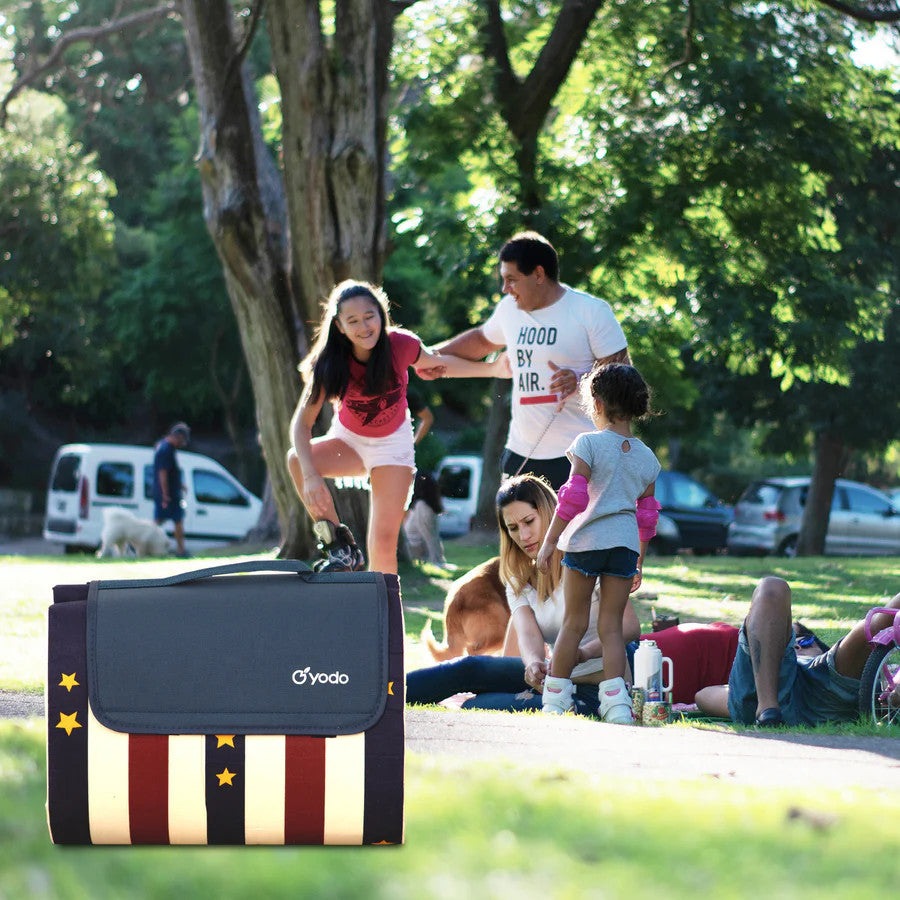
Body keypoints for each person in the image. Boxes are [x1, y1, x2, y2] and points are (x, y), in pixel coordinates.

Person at [286, 279, 508, 575]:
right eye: (353, 321)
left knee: (382, 543)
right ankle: (340, 548)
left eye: (369, 316)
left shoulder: (401, 345)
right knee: (297, 460)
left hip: (392, 446)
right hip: (349, 441)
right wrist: (311, 477)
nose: (364, 327)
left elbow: (437, 363)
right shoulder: (329, 364)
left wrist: (491, 368)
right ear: (340, 326)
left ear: (381, 314)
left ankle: (387, 605)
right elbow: (301, 424)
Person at [406, 474, 641, 715]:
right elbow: (527, 632)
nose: (523, 535)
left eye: (529, 521)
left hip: (601, 684)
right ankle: (389, 690)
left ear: (550, 513)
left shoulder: (589, 555)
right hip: (554, 678)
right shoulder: (518, 577)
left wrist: (581, 654)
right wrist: (533, 664)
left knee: (475, 704)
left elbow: (630, 627)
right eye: (513, 528)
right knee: (469, 668)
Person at [419, 231, 629, 490]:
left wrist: (581, 381)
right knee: (511, 518)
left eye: (512, 280)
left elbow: (624, 376)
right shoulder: (509, 309)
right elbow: (481, 340)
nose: (505, 289)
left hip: (579, 457)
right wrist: (428, 356)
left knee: (570, 521)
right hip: (521, 454)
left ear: (539, 275)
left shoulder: (591, 311)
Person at [536, 363, 661, 724]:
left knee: (573, 623)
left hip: (586, 542)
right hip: (624, 547)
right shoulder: (648, 458)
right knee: (611, 628)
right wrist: (639, 562)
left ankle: (555, 701)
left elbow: (573, 498)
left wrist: (550, 541)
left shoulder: (587, 444)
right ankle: (617, 706)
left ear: (598, 403)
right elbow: (647, 517)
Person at [695, 576, 900, 727]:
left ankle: (768, 711)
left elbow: (703, 697)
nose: (798, 646)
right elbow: (703, 696)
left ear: (821, 646)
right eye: (788, 643)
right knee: (772, 586)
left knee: (876, 625)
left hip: (827, 688)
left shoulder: (832, 662)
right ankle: (768, 710)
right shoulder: (749, 681)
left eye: (804, 640)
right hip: (764, 694)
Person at [153, 421, 190, 557]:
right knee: (174, 520)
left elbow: (170, 472)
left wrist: (179, 484)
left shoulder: (164, 446)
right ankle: (181, 550)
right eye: (182, 440)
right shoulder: (166, 450)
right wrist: (165, 494)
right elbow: (163, 473)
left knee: (160, 520)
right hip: (168, 493)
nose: (182, 444)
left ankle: (180, 549)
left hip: (168, 491)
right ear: (177, 437)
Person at [403, 470, 447, 565]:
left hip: (422, 506)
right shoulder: (423, 477)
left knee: (429, 535)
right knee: (413, 532)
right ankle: (424, 558)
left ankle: (436, 560)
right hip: (421, 506)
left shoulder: (419, 479)